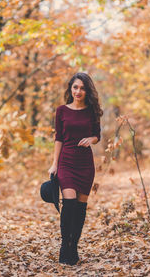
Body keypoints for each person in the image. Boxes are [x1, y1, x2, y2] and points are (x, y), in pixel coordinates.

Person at [48, 72, 103, 266]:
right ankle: (65, 245)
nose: (78, 91)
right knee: (69, 203)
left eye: (82, 88)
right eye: (75, 87)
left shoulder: (92, 111)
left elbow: (98, 135)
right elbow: (59, 138)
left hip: (85, 164)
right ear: (70, 89)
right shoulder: (61, 110)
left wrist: (92, 140)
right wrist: (54, 164)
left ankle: (74, 246)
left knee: (80, 208)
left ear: (86, 90)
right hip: (66, 162)